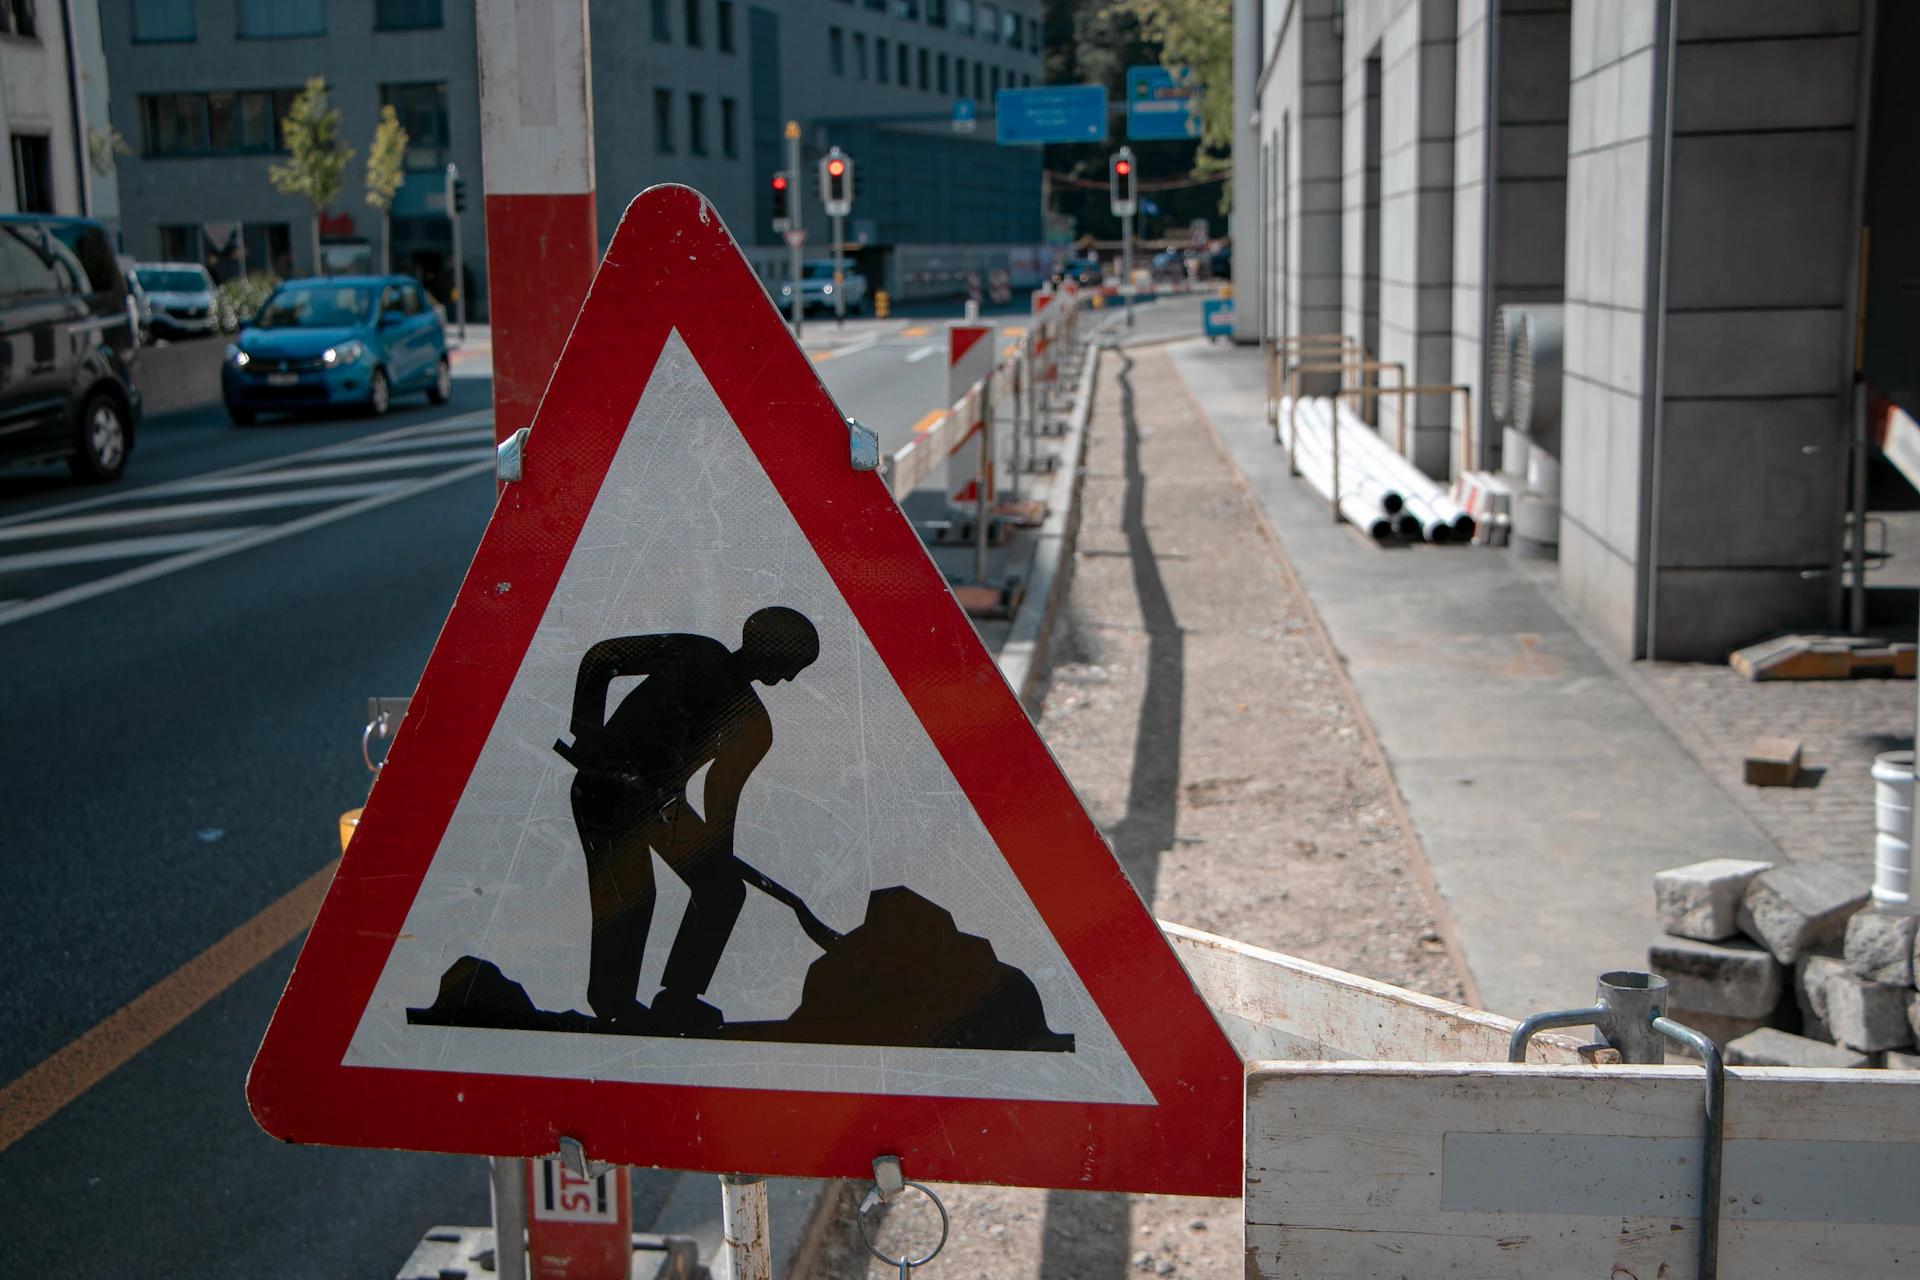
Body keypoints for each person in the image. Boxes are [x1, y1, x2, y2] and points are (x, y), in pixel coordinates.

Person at [554, 606, 819, 1035]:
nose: (789, 678)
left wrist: (717, 853)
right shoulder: (698, 654)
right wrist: (586, 729)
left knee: (721, 888)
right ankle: (613, 1004)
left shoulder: (754, 724)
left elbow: (721, 796)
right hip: (606, 788)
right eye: (791, 665)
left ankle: (678, 999)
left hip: (661, 806)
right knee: (633, 895)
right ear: (770, 650)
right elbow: (602, 657)